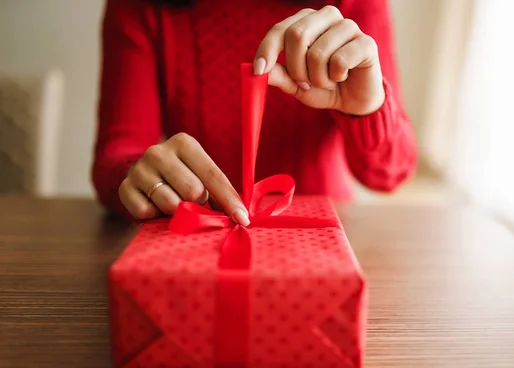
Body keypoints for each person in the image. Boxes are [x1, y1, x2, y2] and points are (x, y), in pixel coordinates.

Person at [92, 0, 417, 225]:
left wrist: (367, 108)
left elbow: (391, 172)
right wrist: (139, 176)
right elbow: (116, 155)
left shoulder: (353, 3)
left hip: (325, 244)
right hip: (195, 242)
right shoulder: (139, 7)